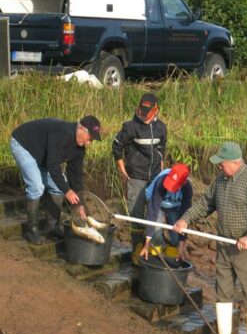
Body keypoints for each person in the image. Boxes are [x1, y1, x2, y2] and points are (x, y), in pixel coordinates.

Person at [174, 142, 247, 334]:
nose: (219, 167)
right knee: (223, 293)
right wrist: (185, 219)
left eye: (222, 163)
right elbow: (205, 204)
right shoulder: (220, 180)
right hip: (224, 246)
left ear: (236, 163)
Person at [10, 115, 101, 245]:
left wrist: (80, 204)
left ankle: (52, 228)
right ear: (81, 129)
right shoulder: (61, 133)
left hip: (41, 154)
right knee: (36, 186)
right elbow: (53, 165)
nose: (88, 143)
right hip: (22, 145)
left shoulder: (79, 149)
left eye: (91, 141)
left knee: (58, 186)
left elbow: (76, 176)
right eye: (89, 138)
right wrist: (67, 191)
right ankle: (32, 230)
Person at [112, 93, 167, 249]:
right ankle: (137, 248)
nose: (144, 114)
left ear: (156, 110)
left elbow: (162, 148)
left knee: (156, 215)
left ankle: (156, 249)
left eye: (148, 111)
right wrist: (122, 169)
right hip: (135, 177)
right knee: (136, 216)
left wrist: (161, 170)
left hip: (155, 178)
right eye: (142, 110)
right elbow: (116, 146)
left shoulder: (161, 128)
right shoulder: (130, 127)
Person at [139, 163, 192, 261]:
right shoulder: (161, 181)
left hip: (174, 206)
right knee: (155, 232)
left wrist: (181, 244)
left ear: (183, 183)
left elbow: (185, 216)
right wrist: (147, 242)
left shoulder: (187, 187)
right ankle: (152, 257)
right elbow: (153, 210)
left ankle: (172, 259)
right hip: (156, 204)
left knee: (176, 234)